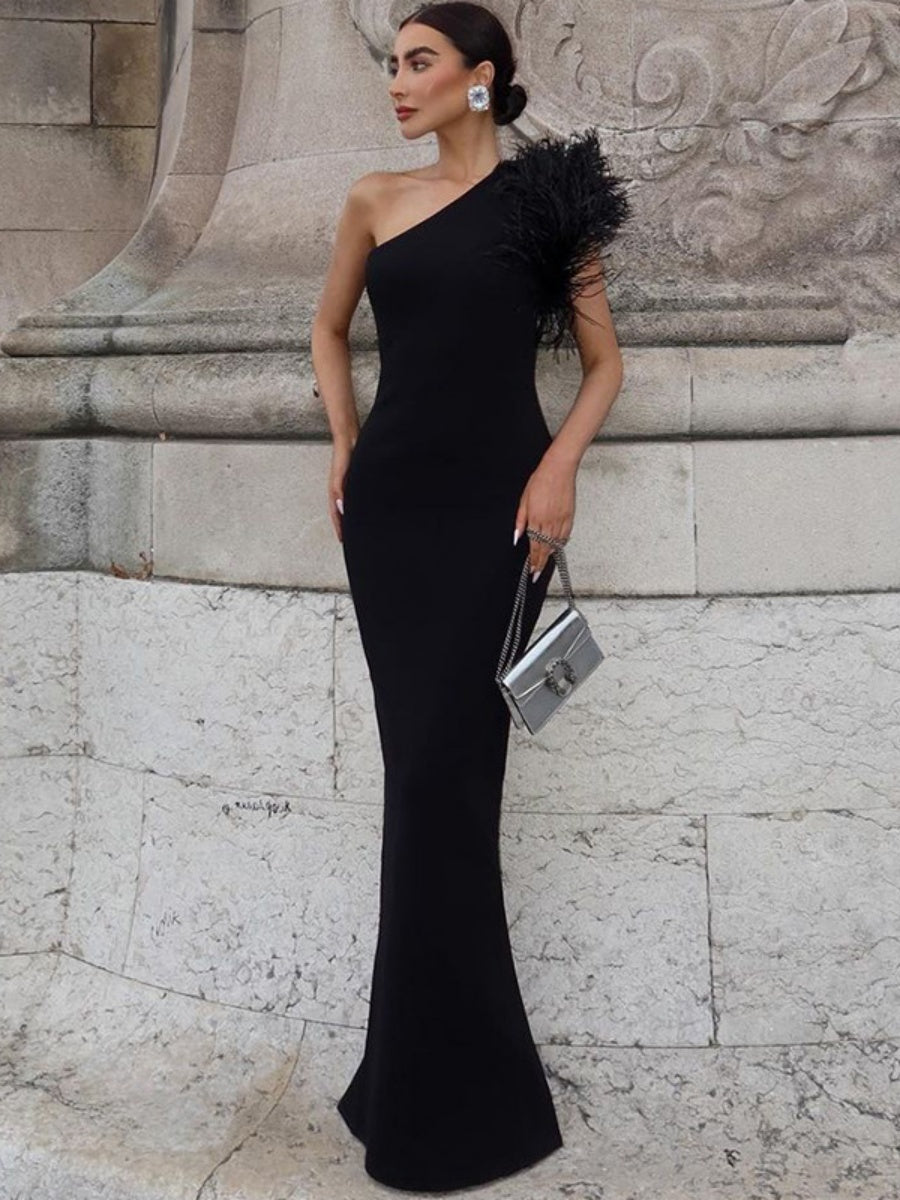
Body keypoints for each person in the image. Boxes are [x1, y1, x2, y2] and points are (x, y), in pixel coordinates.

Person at [311, 2, 631, 1191]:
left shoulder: (550, 204)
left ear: (481, 77)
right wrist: (346, 443)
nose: (398, 83)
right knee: (422, 787)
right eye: (393, 65)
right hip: (393, 518)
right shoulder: (372, 200)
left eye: (420, 62)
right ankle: (427, 1095)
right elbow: (328, 331)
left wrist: (559, 469)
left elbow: (605, 364)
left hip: (501, 518)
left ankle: (432, 1096)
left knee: (449, 791)